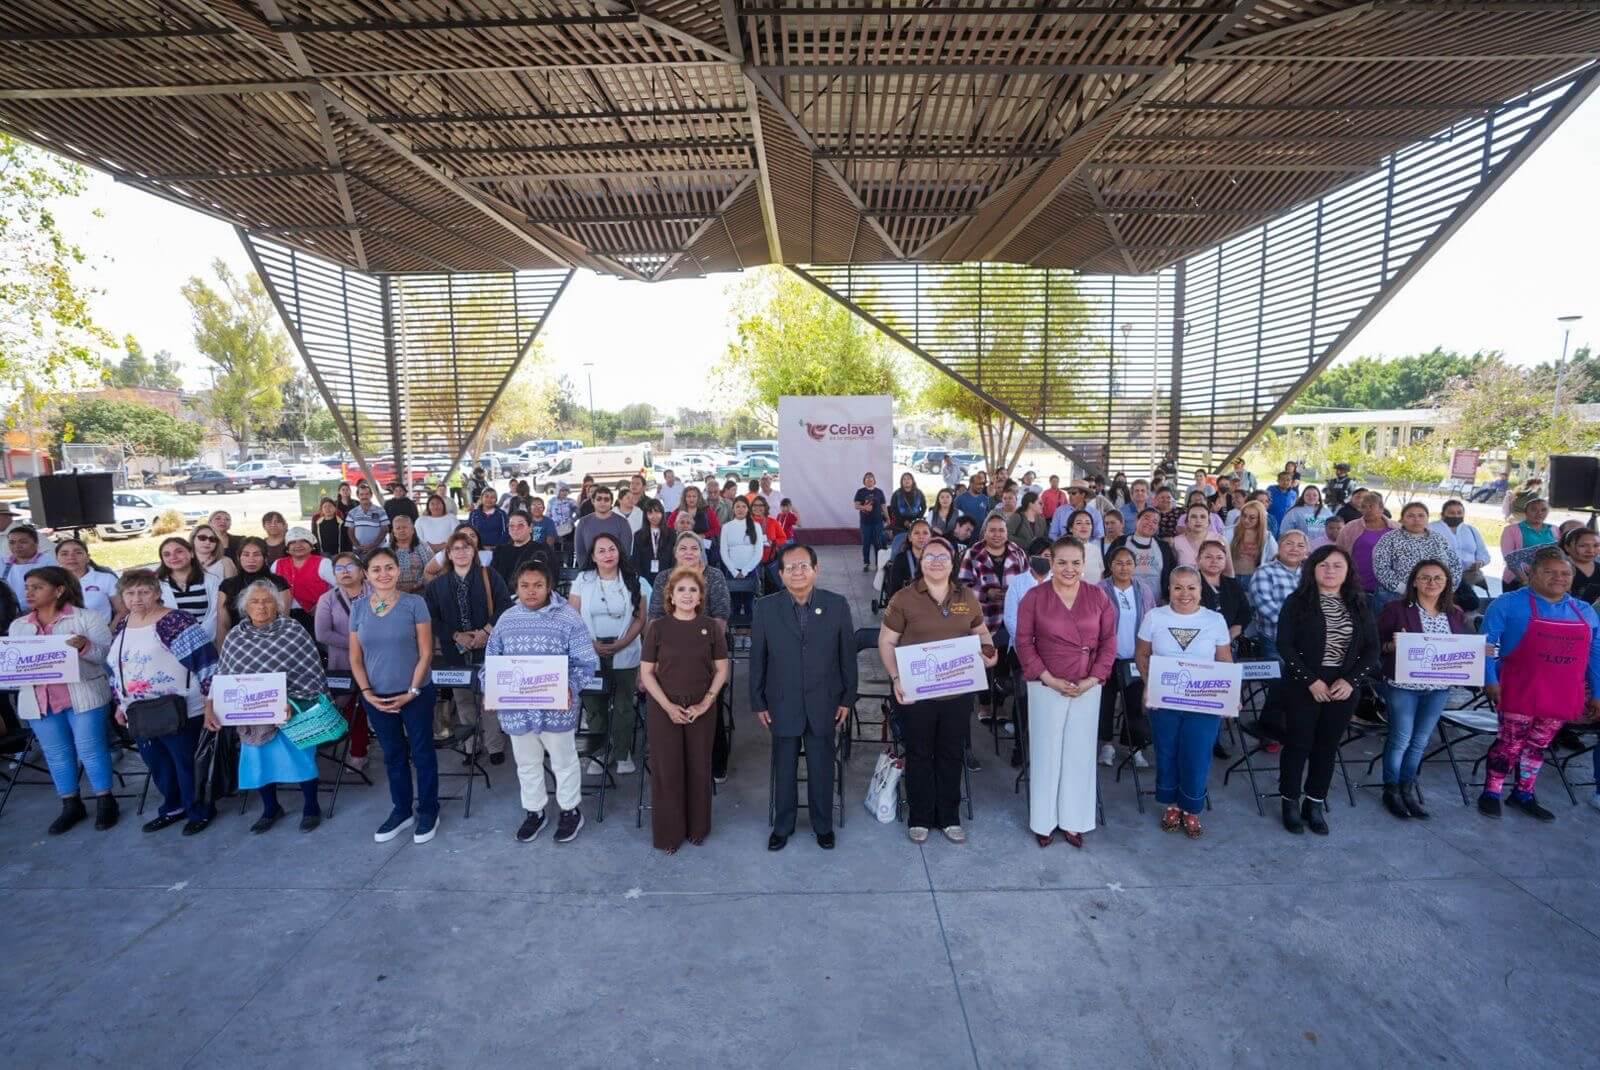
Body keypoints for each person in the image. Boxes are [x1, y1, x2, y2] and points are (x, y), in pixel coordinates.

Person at [879, 536, 1000, 844]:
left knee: (950, 753)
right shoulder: (904, 598)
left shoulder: (966, 596)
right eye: (929, 557)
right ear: (921, 562)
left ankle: (948, 817)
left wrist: (989, 652)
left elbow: (982, 632)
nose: (936, 562)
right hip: (916, 693)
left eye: (942, 557)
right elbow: (887, 641)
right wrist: (896, 677)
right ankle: (920, 817)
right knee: (919, 753)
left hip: (957, 693)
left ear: (952, 562)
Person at [1479, 547, 1600, 821]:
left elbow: (1595, 653)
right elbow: (1485, 644)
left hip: (1562, 692)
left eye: (1565, 573)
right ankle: (1491, 792)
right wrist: (1490, 680)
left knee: (1538, 745)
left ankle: (1524, 793)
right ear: (1531, 573)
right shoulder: (1507, 603)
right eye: (1549, 572)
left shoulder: (1584, 611)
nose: (1558, 578)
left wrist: (1597, 692)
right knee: (1510, 744)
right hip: (1519, 687)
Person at [484, 561, 599, 844]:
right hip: (517, 709)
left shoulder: (568, 618)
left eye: (538, 585)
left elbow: (586, 662)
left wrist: (570, 686)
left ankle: (570, 811)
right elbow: (491, 660)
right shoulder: (507, 619)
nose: (531, 591)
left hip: (556, 707)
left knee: (564, 761)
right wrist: (490, 686)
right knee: (526, 763)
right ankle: (534, 811)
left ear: (549, 587)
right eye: (524, 585)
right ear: (517, 587)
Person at [751, 543, 856, 851]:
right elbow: (758, 659)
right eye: (790, 567)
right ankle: (782, 826)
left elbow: (847, 656)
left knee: (822, 767)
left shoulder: (836, 605)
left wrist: (847, 699)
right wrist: (758, 701)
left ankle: (823, 825)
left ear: (815, 570)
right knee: (784, 769)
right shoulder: (766, 608)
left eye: (803, 566)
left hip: (825, 701)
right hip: (782, 702)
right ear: (781, 574)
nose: (797, 572)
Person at [1016, 537, 1116, 849]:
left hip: (1087, 686)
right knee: (1046, 754)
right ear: (1051, 563)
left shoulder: (1098, 596)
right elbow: (1023, 641)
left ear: (1084, 564)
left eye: (1075, 563)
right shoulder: (1034, 597)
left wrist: (1093, 679)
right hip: (1046, 685)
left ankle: (1074, 820)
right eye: (1062, 562)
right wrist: (1048, 678)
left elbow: (1109, 641)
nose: (1069, 569)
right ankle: (1043, 821)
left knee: (1079, 754)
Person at [208, 579, 328, 833]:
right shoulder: (235, 637)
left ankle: (311, 806)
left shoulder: (293, 630)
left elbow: (311, 672)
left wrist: (295, 702)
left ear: (277, 605)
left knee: (301, 760)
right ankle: (271, 808)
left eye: (267, 601)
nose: (261, 606)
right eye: (254, 601)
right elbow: (223, 674)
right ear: (244, 607)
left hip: (291, 710)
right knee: (259, 763)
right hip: (253, 714)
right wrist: (211, 704)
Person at [1274, 545, 1379, 836]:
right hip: (1303, 685)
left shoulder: (1359, 603)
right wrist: (1310, 681)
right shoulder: (1297, 601)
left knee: (1327, 747)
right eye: (1323, 565)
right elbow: (1285, 645)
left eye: (1337, 565)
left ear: (1347, 572)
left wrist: (1351, 681)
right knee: (1298, 745)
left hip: (1342, 688)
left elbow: (1372, 649)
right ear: (1313, 569)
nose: (1330, 570)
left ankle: (1315, 803)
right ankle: (1290, 801)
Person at [107, 569, 219, 836]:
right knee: (158, 763)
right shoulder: (124, 623)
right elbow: (117, 666)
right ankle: (173, 807)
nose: (136, 598)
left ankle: (199, 810)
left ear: (157, 593)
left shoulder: (175, 621)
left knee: (185, 763)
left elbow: (207, 663)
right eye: (130, 593)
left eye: (144, 592)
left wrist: (210, 704)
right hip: (139, 711)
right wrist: (120, 703)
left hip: (180, 709)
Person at [8, 565, 117, 834]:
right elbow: (15, 663)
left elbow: (106, 656)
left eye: (37, 587)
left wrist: (84, 647)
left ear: (58, 591)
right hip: (39, 699)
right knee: (56, 753)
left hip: (83, 694)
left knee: (90, 748)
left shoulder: (86, 618)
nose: (29, 593)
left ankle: (105, 799)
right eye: (27, 588)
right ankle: (70, 803)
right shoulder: (19, 626)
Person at [1134, 566, 1234, 837]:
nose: (1184, 593)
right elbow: (1141, 654)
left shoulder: (1215, 620)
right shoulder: (1155, 617)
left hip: (1204, 703)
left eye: (1191, 587)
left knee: (1197, 755)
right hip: (1164, 700)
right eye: (1178, 587)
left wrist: (1230, 695)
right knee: (1167, 752)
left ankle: (1191, 808)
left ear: (1201, 590)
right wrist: (1149, 684)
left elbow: (1225, 659)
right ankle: (1171, 805)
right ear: (1169, 589)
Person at [349, 547, 439, 844]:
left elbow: (426, 653)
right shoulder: (358, 608)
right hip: (377, 698)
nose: (383, 574)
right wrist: (366, 692)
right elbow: (355, 658)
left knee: (423, 754)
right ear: (366, 574)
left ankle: (429, 810)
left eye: (389, 567)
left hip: (416, 693)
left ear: (398, 570)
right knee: (393, 755)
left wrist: (412, 691)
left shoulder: (415, 603)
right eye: (376, 569)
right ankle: (402, 810)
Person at [640, 567, 731, 852]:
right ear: (671, 595)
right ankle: (669, 833)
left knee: (698, 767)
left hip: (700, 708)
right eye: (681, 590)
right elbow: (647, 673)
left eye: (693, 590)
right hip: (663, 708)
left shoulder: (711, 627)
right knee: (667, 769)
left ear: (701, 596)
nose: (687, 595)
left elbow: (721, 669)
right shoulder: (658, 628)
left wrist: (706, 702)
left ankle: (698, 828)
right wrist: (667, 706)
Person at [1377, 560, 1470, 822]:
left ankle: (1407, 788)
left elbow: (1461, 647)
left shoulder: (1454, 613)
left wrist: (1477, 653)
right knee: (1401, 738)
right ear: (1415, 582)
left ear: (1447, 583)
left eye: (1438, 578)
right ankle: (1391, 789)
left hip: (1438, 688)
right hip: (1403, 686)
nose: (1432, 583)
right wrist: (1391, 646)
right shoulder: (1396, 609)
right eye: (1425, 577)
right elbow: (1375, 643)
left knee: (1420, 741)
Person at [648, 531, 733, 779]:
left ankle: (715, 764)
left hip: (707, 654)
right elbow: (654, 617)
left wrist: (703, 649)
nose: (688, 553)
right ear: (675, 553)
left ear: (701, 552)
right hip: (669, 656)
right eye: (683, 548)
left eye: (694, 548)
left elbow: (721, 617)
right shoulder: (664, 578)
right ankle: (673, 766)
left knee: (711, 712)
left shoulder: (714, 576)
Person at [426, 531, 512, 765]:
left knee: (488, 698)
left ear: (474, 552)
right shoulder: (437, 585)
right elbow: (432, 618)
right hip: (454, 649)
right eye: (456, 549)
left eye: (466, 547)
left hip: (487, 646)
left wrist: (485, 631)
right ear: (449, 555)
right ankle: (471, 746)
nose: (461, 552)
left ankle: (494, 746)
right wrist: (456, 635)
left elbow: (505, 604)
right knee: (463, 700)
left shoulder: (489, 575)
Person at [567, 533, 646, 775]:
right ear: (593, 556)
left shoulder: (634, 579)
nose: (608, 555)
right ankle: (600, 752)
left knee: (623, 704)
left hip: (625, 650)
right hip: (590, 651)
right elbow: (573, 616)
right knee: (594, 705)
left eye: (612, 549)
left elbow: (640, 618)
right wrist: (591, 644)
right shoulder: (583, 580)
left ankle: (622, 752)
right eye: (601, 551)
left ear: (619, 551)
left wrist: (623, 642)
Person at [1097, 546, 1155, 768]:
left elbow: (1151, 620)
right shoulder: (1099, 589)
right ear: (1110, 565)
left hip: (1135, 658)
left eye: (1129, 563)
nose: (1124, 568)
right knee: (1106, 703)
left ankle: (1134, 748)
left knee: (1134, 704)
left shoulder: (1144, 590)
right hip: (1107, 657)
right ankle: (1106, 746)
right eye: (1119, 563)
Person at [313, 552, 371, 770]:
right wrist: (355, 643)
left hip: (378, 659)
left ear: (362, 570)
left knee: (384, 704)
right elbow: (322, 633)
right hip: (345, 662)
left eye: (349, 567)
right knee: (353, 707)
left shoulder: (377, 592)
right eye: (339, 568)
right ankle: (358, 751)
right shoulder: (327, 599)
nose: (344, 572)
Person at [1370, 502, 1461, 612]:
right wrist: (1406, 589)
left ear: (1427, 519)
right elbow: (1381, 568)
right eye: (1410, 516)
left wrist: (1445, 588)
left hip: (1434, 597)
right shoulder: (1389, 539)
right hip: (1396, 596)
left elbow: (1455, 565)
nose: (1416, 519)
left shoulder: (1439, 539)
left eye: (1421, 515)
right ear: (1402, 519)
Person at [217, 537, 291, 641]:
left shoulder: (279, 583)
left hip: (272, 642)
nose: (251, 559)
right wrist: (222, 648)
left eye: (256, 555)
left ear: (265, 558)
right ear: (238, 557)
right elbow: (222, 625)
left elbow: (283, 620)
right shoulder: (227, 585)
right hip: (237, 643)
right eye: (246, 554)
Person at [156, 535, 222, 642]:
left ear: (191, 553)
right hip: (170, 644)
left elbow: (215, 615)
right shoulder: (156, 584)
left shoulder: (212, 581)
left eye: (179, 552)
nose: (173, 557)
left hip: (207, 641)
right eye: (167, 554)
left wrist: (198, 640)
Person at [1336, 491, 1398, 599]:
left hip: (1388, 590)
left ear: (1381, 508)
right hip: (1357, 587)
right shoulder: (1351, 527)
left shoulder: (1396, 528)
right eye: (1364, 507)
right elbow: (1338, 552)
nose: (1367, 510)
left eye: (1371, 506)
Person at [274, 526, 335, 630]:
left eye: (303, 541)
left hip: (315, 615)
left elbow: (340, 587)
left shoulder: (323, 563)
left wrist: (322, 604)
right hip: (284, 615)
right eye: (293, 542)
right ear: (287, 548)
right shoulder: (278, 564)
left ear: (312, 545)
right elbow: (269, 589)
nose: (298, 545)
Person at [53, 537, 120, 624]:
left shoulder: (106, 579)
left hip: (101, 630)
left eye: (78, 552)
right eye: (64, 554)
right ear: (57, 559)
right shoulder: (49, 582)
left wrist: (108, 631)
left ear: (88, 557)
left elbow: (122, 611)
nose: (71, 557)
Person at [719, 496, 766, 617]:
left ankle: (750, 629)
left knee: (750, 605)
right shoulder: (726, 527)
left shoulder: (756, 526)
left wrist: (745, 570)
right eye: (738, 506)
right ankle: (736, 629)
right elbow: (723, 551)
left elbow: (758, 553)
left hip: (750, 571)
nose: (740, 509)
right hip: (732, 572)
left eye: (744, 506)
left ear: (748, 509)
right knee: (734, 605)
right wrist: (734, 571)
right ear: (733, 509)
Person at [1109, 508, 1176, 594]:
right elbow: (1108, 568)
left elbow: (1172, 573)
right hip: (1124, 597)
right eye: (1146, 518)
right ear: (1137, 520)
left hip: (1156, 600)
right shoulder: (1120, 542)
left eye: (1155, 522)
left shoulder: (1164, 547)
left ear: (1157, 527)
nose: (1150, 523)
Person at [1197, 539, 1250, 641]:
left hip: (1231, 640)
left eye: (1219, 558)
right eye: (1208, 557)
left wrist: (1230, 635)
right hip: (1201, 640)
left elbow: (1245, 613)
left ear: (1225, 561)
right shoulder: (1189, 584)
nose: (1214, 561)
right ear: (1198, 559)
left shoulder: (1232, 584)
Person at [1499, 497, 1555, 590]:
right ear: (1525, 512)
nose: (1539, 513)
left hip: (1548, 579)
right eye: (1534, 509)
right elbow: (1508, 557)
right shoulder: (1510, 530)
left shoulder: (1554, 529)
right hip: (1518, 579)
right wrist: (1526, 579)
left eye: (1543, 510)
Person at [491, 510, 553, 590]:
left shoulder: (542, 550)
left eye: (520, 525)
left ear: (530, 528)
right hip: (502, 595)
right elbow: (492, 578)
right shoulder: (500, 551)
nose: (515, 529)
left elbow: (549, 579)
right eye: (511, 526)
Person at [574, 485, 631, 566]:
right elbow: (580, 553)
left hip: (616, 570)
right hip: (590, 570)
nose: (602, 502)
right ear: (593, 501)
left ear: (611, 502)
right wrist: (587, 571)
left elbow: (625, 553)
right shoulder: (583, 523)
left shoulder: (622, 523)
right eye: (599, 499)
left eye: (606, 499)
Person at [3, 524, 55, 607]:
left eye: (23, 542)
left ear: (36, 543)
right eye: (12, 542)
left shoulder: (48, 561)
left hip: (39, 609)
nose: (17, 546)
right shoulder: (2, 563)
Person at [1225, 500, 1276, 581]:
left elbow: (1274, 558)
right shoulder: (1228, 532)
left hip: (1254, 578)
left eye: (1252, 517)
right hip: (1230, 577)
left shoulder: (1267, 537)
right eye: (1244, 515)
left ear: (1260, 519)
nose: (1246, 520)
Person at [884, 519, 932, 603]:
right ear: (910, 537)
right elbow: (895, 591)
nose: (921, 537)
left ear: (930, 537)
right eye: (916, 533)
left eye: (925, 533)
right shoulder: (901, 559)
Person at [344, 482, 390, 559]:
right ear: (358, 496)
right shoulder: (352, 512)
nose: (364, 496)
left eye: (366, 494)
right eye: (361, 494)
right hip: (359, 551)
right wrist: (357, 546)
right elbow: (350, 531)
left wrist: (373, 545)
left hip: (377, 549)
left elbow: (385, 529)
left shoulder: (381, 511)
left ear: (371, 495)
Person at [386, 513, 430, 593]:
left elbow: (429, 570)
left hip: (420, 592)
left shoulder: (423, 547)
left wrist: (416, 586)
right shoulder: (386, 550)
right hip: (392, 592)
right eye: (398, 528)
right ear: (393, 532)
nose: (401, 530)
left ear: (413, 530)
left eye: (404, 527)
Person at [854, 472, 888, 572]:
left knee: (878, 543)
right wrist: (864, 507)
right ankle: (866, 563)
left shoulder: (879, 492)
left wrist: (887, 517)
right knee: (866, 543)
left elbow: (883, 506)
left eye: (871, 478)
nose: (869, 480)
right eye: (867, 478)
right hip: (865, 523)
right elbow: (856, 505)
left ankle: (878, 563)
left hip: (878, 522)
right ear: (864, 481)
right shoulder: (860, 492)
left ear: (874, 480)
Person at [633, 500, 670, 587]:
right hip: (645, 578)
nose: (654, 516)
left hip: (666, 578)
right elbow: (636, 559)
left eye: (657, 512)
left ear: (662, 513)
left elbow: (673, 558)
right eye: (650, 513)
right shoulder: (638, 535)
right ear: (645, 515)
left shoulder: (671, 534)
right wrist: (642, 579)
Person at [1564, 527, 1600, 603]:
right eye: (1583, 546)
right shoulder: (1559, 570)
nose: (1591, 550)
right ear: (1567, 547)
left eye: (1596, 545)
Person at [468, 486, 509, 550]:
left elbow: (506, 532)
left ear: (496, 500)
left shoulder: (502, 514)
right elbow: (470, 533)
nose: (489, 499)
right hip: (478, 550)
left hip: (497, 550)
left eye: (492, 497)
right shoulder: (473, 514)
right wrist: (479, 547)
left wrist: (496, 547)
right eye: (486, 496)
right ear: (481, 498)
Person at [1265, 470, 1298, 536]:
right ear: (1278, 481)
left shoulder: (1293, 493)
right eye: (1282, 479)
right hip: (1270, 523)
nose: (1285, 482)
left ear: (1291, 481)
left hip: (1285, 524)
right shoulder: (1270, 490)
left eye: (1288, 480)